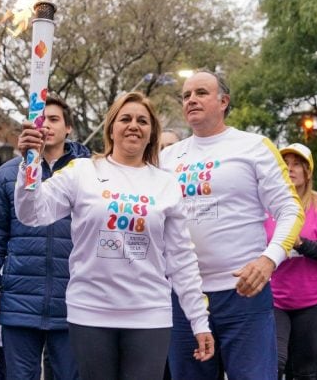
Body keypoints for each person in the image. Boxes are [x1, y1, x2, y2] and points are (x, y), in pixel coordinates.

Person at [13, 91, 215, 380]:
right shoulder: (82, 171)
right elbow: (32, 214)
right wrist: (30, 165)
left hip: (149, 312)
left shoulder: (166, 184)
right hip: (91, 310)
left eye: (142, 121)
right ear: (111, 128)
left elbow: (181, 258)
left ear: (151, 133)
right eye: (126, 119)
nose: (134, 125)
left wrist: (199, 321)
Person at [159, 70, 305, 380]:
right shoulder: (167, 157)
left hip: (244, 296)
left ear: (224, 101)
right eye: (186, 95)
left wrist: (269, 259)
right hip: (185, 298)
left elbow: (290, 209)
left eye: (201, 92)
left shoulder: (254, 146)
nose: (191, 100)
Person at [0, 94, 89, 380]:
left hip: (74, 303)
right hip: (20, 302)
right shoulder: (7, 175)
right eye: (41, 120)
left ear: (68, 129)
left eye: (55, 120)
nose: (47, 126)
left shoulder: (90, 173)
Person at [267, 143, 317, 380]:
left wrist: (298, 243)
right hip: (274, 299)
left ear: (308, 172)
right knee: (275, 363)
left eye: (297, 164)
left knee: (305, 370)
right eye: (285, 163)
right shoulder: (265, 205)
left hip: (313, 301)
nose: (290, 168)